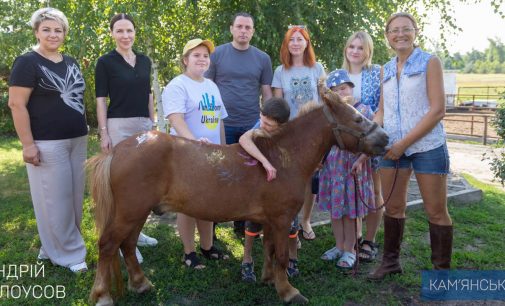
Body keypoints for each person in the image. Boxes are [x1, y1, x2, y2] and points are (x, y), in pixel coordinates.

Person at [369, 12, 452, 280]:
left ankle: (441, 275)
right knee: (393, 208)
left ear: (416, 31)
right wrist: (372, 132)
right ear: (387, 37)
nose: (400, 34)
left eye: (406, 29)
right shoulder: (385, 68)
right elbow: (382, 111)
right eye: (394, 30)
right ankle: (390, 263)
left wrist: (403, 143)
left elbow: (438, 110)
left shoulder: (430, 62)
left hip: (427, 146)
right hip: (391, 148)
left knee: (436, 211)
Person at [8, 7, 88, 273]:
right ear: (36, 32)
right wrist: (28, 145)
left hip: (78, 139)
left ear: (64, 33)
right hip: (47, 142)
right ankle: (69, 254)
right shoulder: (27, 62)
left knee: (74, 198)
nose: (53, 34)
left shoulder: (72, 61)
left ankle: (53, 244)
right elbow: (16, 105)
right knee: (55, 199)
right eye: (47, 29)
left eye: (58, 30)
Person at [95, 13, 158, 263]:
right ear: (112, 33)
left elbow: (149, 94)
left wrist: (152, 124)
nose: (125, 35)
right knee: (122, 185)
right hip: (118, 126)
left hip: (143, 125)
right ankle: (121, 240)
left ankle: (137, 233)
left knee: (143, 182)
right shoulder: (105, 62)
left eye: (129, 30)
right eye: (119, 31)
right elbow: (101, 99)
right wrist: (104, 132)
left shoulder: (144, 60)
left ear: (135, 32)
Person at [162, 38, 229, 269]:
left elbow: (219, 120)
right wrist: (194, 142)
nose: (202, 59)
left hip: (211, 154)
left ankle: (208, 247)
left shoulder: (211, 86)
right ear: (185, 60)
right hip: (186, 155)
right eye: (196, 55)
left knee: (208, 201)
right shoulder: (177, 85)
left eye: (205, 55)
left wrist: (222, 150)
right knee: (188, 205)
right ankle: (189, 253)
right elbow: (176, 119)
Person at [205, 12, 273, 235]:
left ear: (253, 31)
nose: (243, 31)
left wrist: (270, 121)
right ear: (231, 28)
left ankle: (242, 224)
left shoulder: (262, 58)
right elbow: (206, 87)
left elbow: (266, 93)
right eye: (240, 26)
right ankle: (212, 223)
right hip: (221, 125)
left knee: (249, 175)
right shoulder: (217, 54)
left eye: (248, 27)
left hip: (252, 124)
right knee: (219, 173)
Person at [271, 25, 325, 241]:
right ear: (287, 44)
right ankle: (291, 224)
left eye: (299, 39)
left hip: (313, 134)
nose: (295, 43)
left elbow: (324, 100)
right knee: (290, 179)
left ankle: (306, 220)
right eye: (291, 39)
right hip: (290, 134)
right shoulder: (280, 71)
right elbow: (277, 105)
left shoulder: (317, 68)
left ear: (306, 43)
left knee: (311, 179)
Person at [237, 97, 300, 281]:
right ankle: (247, 260)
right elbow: (244, 138)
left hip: (285, 189)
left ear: (282, 125)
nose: (263, 125)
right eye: (262, 120)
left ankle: (293, 258)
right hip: (263, 187)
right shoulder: (260, 125)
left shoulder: (291, 134)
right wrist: (265, 162)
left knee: (291, 225)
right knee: (252, 223)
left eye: (268, 125)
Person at [318, 70, 375, 269]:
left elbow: (373, 141)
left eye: (343, 88)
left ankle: (350, 249)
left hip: (353, 170)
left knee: (350, 212)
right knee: (336, 211)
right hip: (333, 170)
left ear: (351, 87)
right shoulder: (330, 114)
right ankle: (339, 245)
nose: (341, 93)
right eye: (335, 91)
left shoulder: (365, 111)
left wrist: (361, 160)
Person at [342, 31, 383, 262]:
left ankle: (370, 240)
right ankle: (353, 236)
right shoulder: (339, 75)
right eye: (352, 46)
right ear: (346, 49)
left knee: (375, 191)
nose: (355, 51)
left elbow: (380, 109)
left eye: (360, 47)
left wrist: (369, 139)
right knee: (352, 191)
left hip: (371, 141)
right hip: (346, 145)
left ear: (368, 51)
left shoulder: (376, 74)